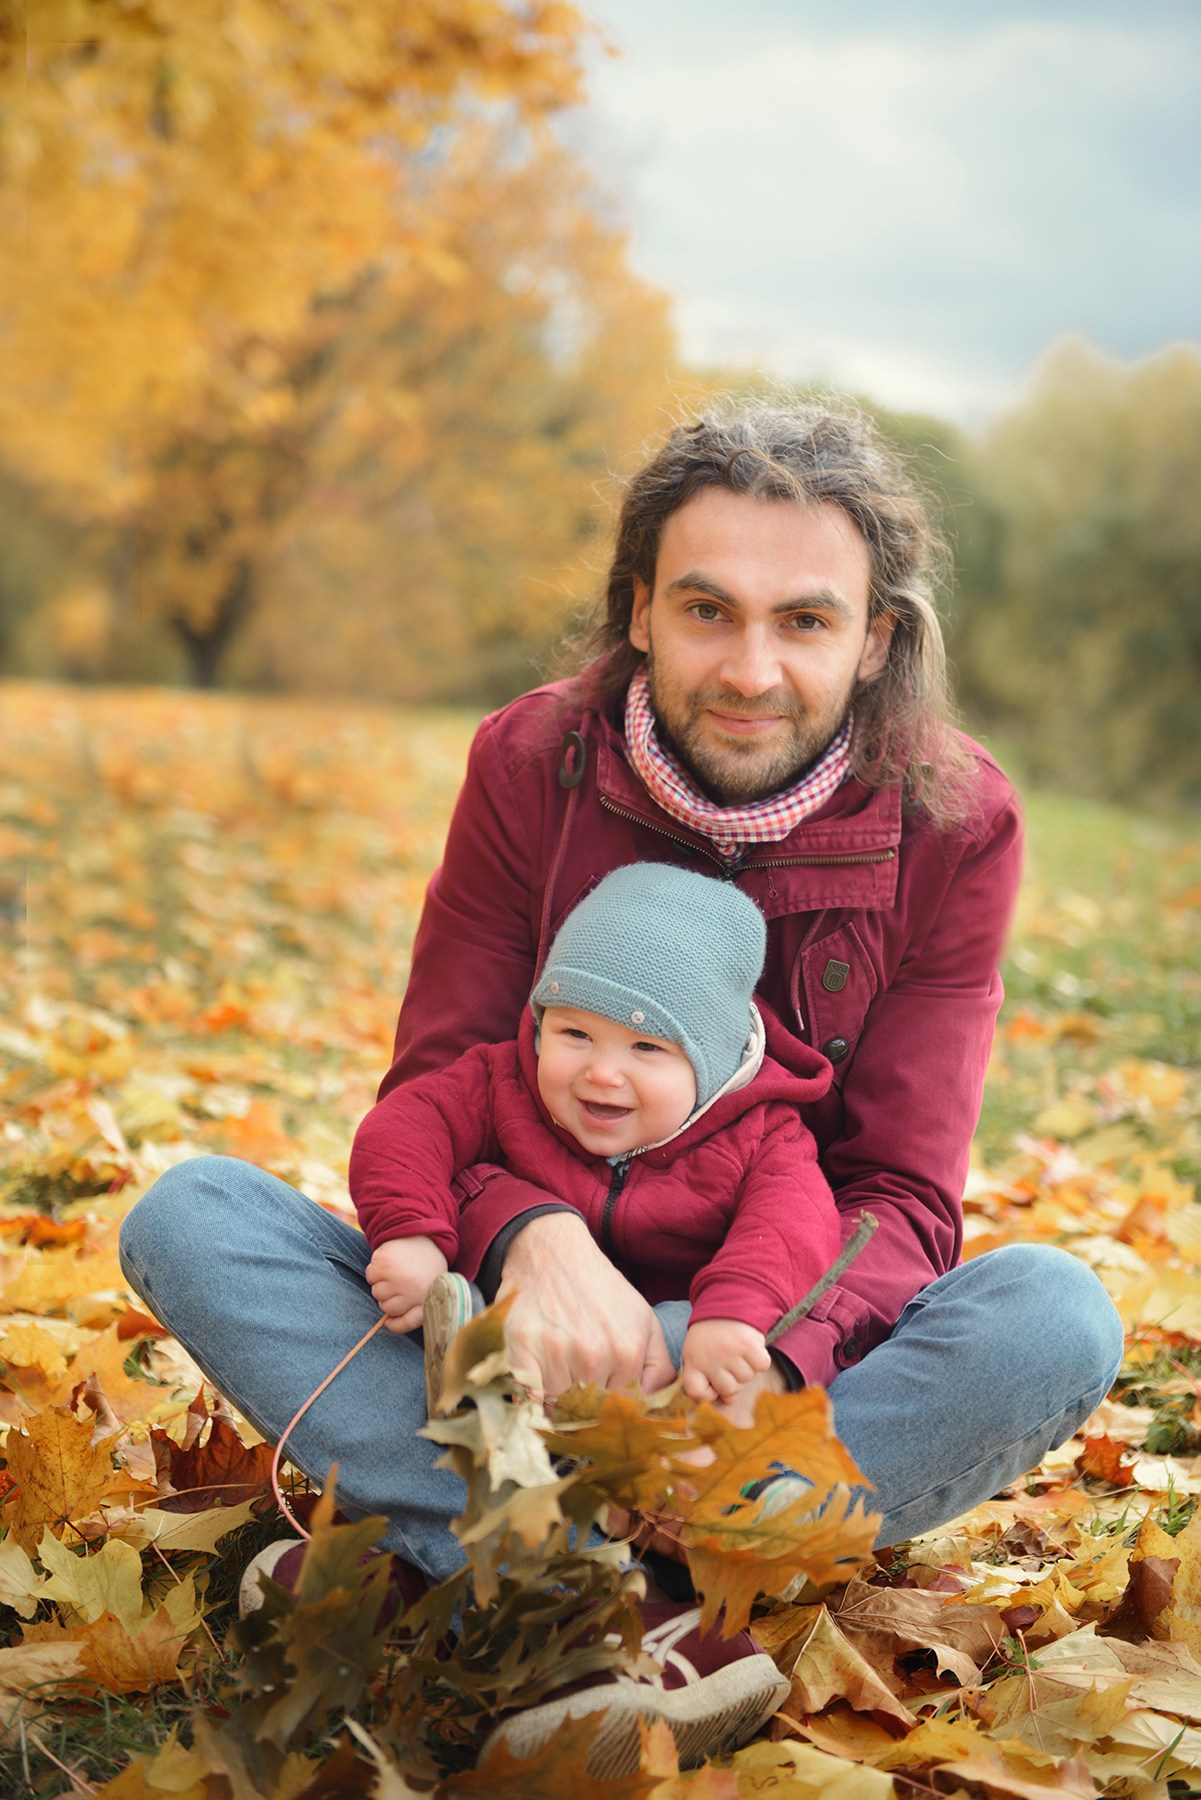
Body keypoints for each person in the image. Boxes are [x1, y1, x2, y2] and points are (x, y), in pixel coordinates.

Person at [118, 396, 1124, 1771]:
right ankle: (632, 1602)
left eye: (806, 622)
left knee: (1054, 1317)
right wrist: (530, 1243)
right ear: (638, 607)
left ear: (875, 638)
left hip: (763, 1360)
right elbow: (438, 1086)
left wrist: (749, 1353)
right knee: (192, 1217)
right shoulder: (529, 763)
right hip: (500, 1344)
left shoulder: (957, 820)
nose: (751, 668)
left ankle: (484, 1562)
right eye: (707, 611)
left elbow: (898, 1194)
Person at [354, 862, 842, 1410]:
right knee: (240, 1200)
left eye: (646, 1047)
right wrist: (412, 1234)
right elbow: (406, 1126)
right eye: (576, 1034)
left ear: (711, 1066)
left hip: (663, 1346)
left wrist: (734, 1313)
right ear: (542, 1024)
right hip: (521, 1312)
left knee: (692, 1336)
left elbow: (793, 1227)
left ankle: (630, 1434)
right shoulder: (503, 1082)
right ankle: (484, 1376)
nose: (602, 1073)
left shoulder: (761, 1137)